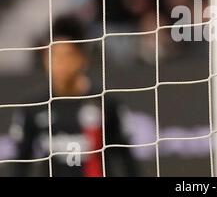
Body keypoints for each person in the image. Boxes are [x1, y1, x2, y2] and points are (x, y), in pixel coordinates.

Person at [9, 15, 136, 176]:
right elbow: (20, 161)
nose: (58, 63)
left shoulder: (106, 102)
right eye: (52, 55)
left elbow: (127, 160)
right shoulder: (33, 105)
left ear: (81, 59)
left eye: (66, 56)